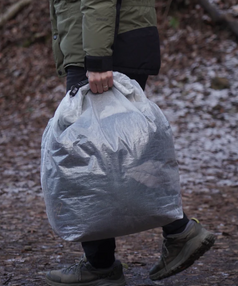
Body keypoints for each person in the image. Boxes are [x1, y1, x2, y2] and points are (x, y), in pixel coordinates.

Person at [44, 0, 216, 285]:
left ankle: (102, 266)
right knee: (117, 157)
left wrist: (97, 59)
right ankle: (176, 232)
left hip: (104, 44)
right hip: (115, 37)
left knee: (91, 160)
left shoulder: (99, 55)